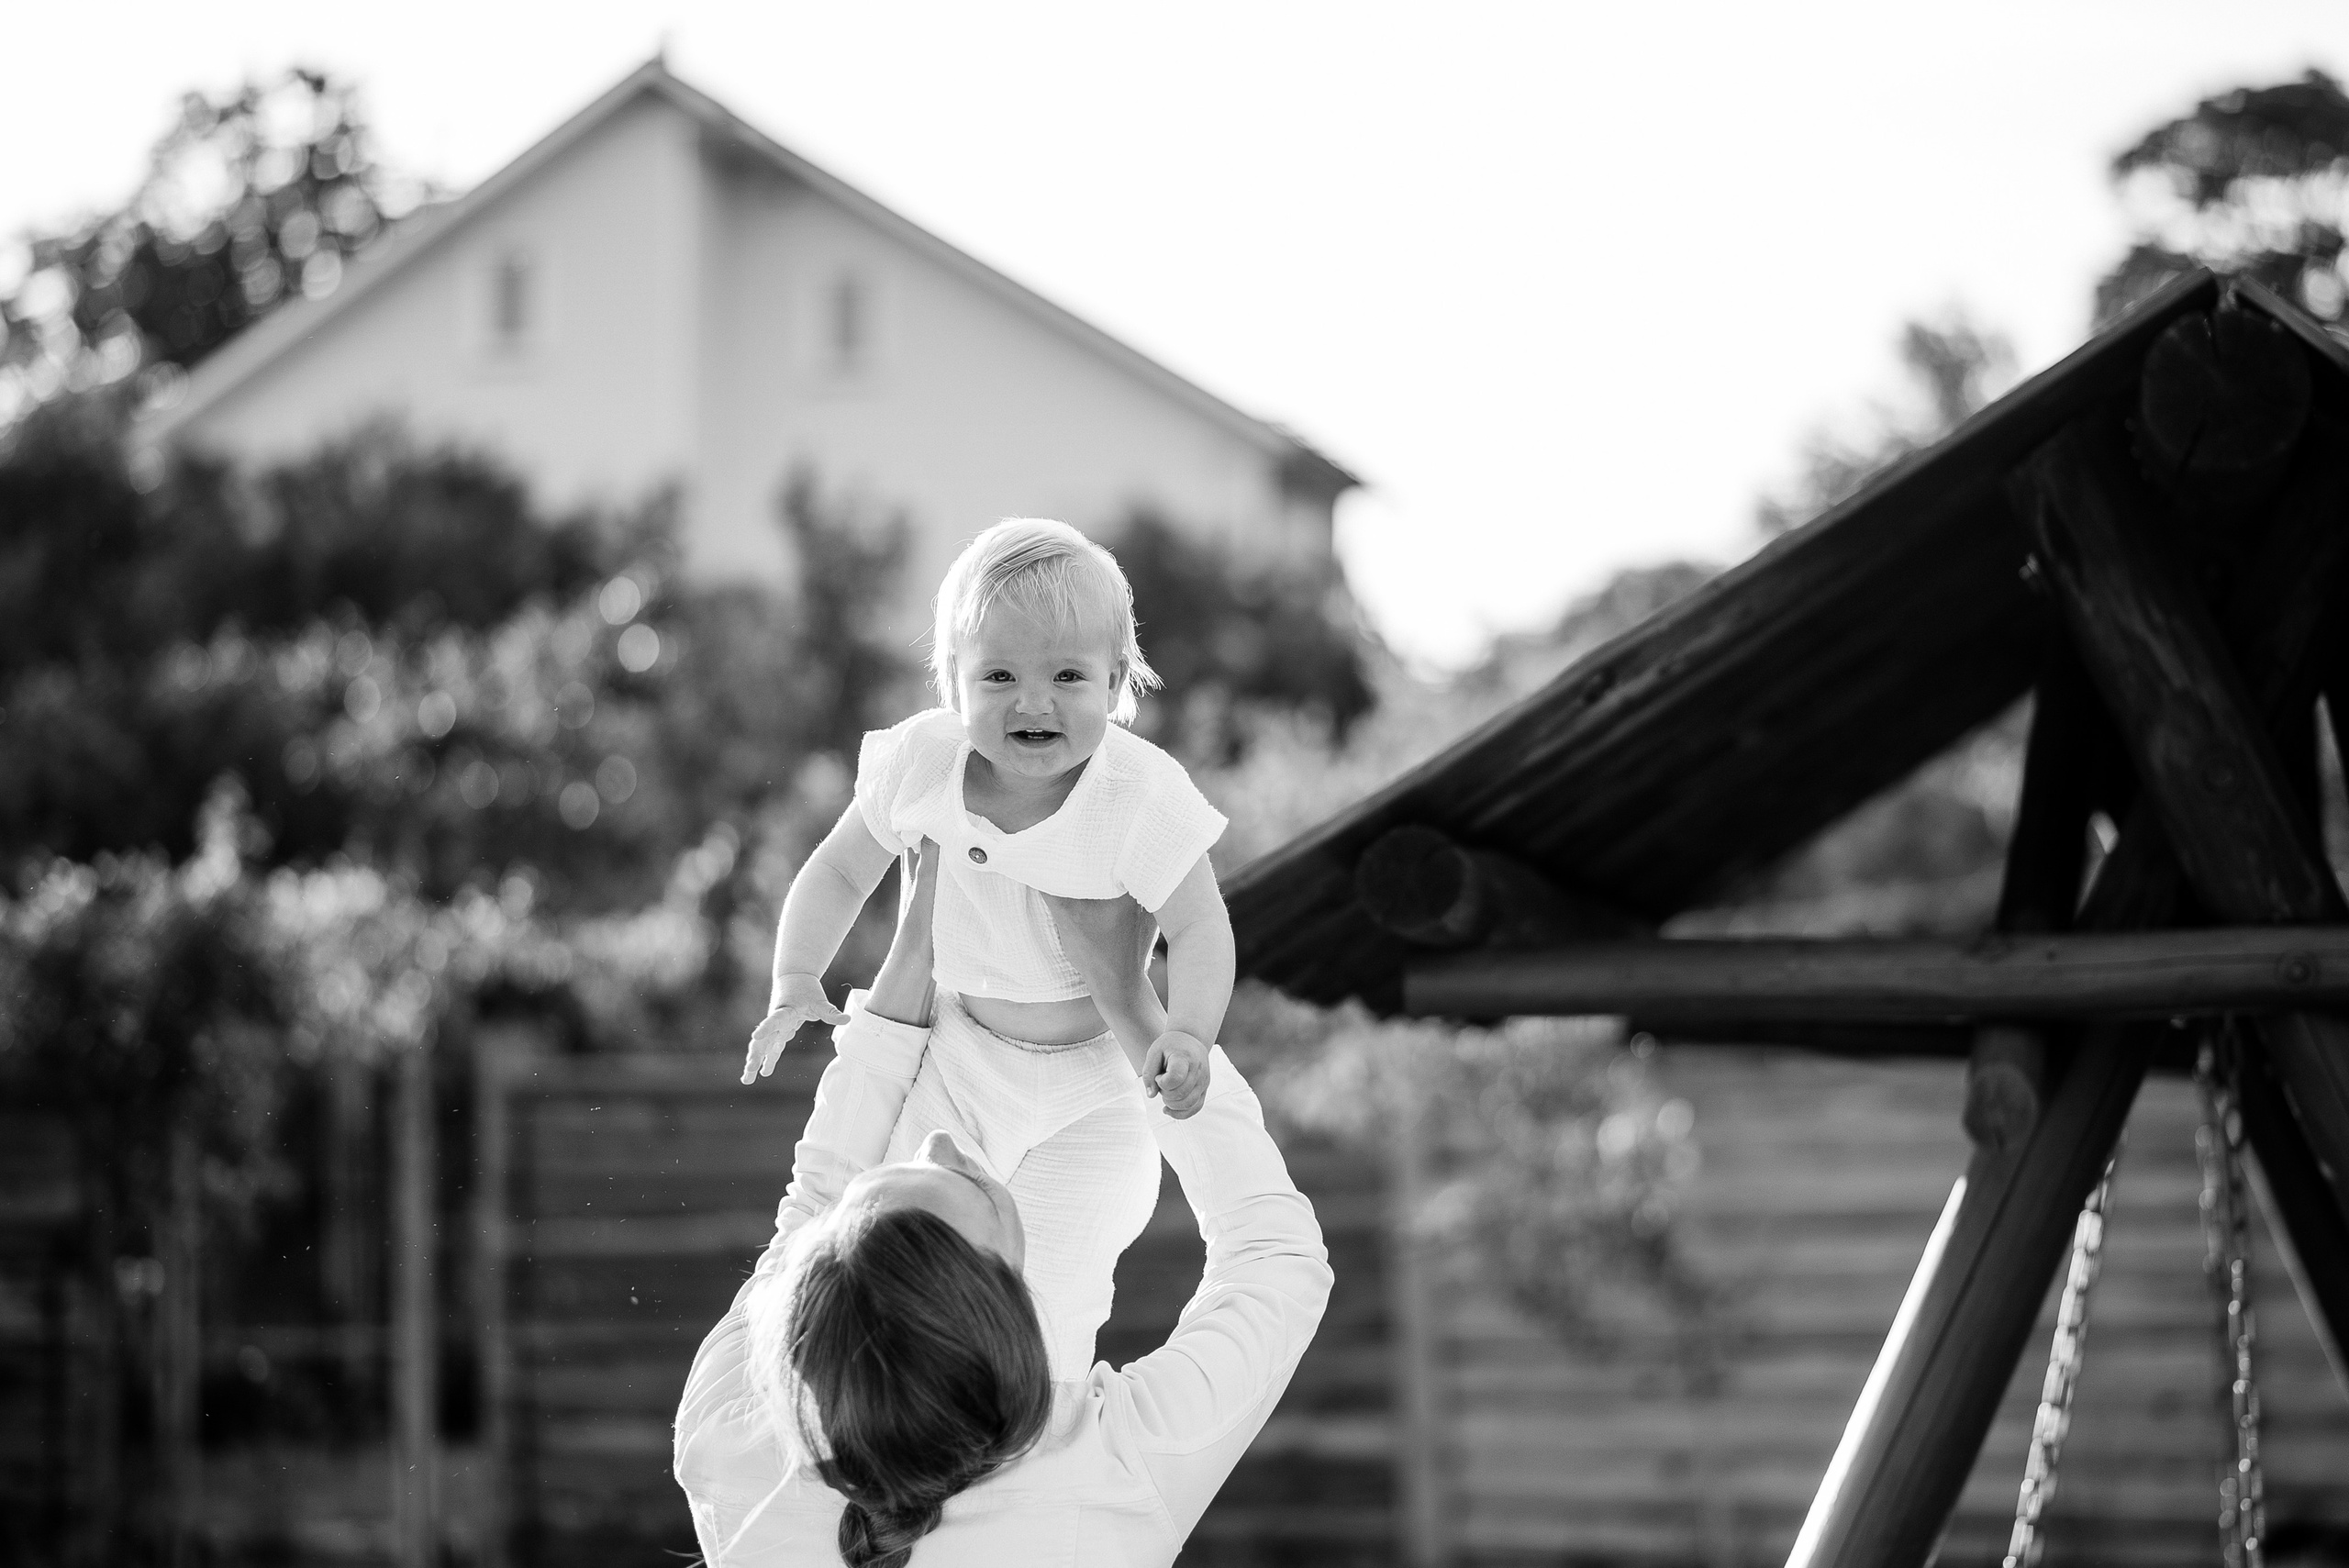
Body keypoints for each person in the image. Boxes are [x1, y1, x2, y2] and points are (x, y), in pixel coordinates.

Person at [674, 881, 1331, 1567]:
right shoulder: (1104, 1489)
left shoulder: (729, 1433)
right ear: (1018, 1310)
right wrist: (1135, 1007)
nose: (938, 1142)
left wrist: (913, 949)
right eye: (971, 1186)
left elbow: (815, 1202)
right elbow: (1277, 1257)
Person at [740, 517, 1238, 1373]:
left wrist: (1187, 1031)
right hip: (962, 1056)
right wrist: (795, 975)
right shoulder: (923, 765)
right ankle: (885, 1406)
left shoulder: (1138, 792)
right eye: (998, 675)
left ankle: (1038, 1439)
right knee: (889, 1244)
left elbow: (1201, 926)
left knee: (1061, 1293)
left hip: (1096, 1080)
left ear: (1116, 680)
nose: (1033, 701)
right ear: (951, 683)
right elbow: (836, 871)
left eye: (1067, 676)